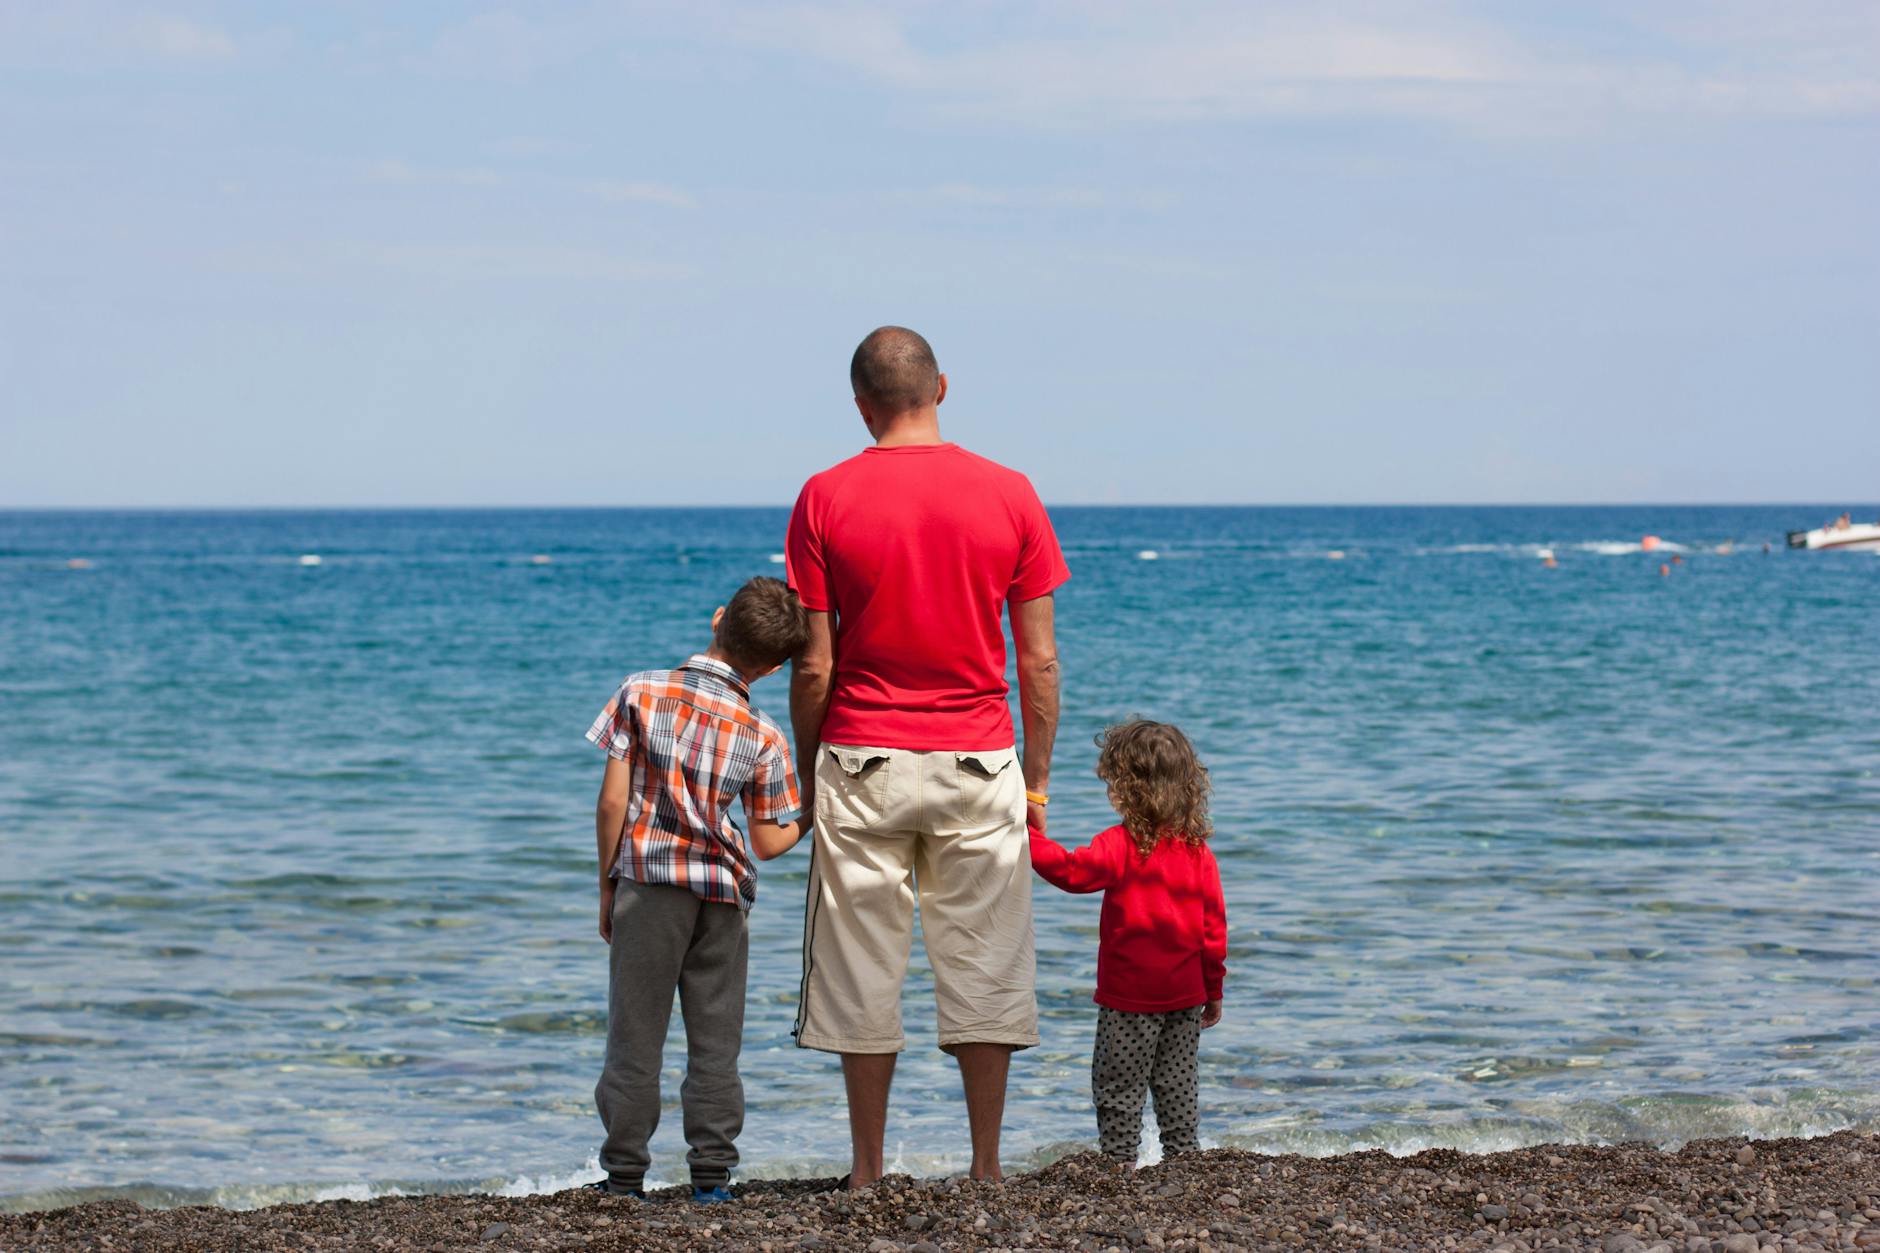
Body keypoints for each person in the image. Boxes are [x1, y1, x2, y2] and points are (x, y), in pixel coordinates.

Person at [786, 326, 1069, 1187]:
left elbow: (814, 665)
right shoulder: (1011, 492)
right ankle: (986, 1165)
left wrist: (808, 776)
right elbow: (1040, 661)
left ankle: (867, 1170)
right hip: (979, 758)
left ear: (860, 404)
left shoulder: (823, 496)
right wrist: (1037, 783)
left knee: (859, 964)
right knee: (985, 958)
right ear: (942, 388)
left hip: (862, 756)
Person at [583, 577, 810, 1202]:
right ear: (772, 669)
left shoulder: (640, 691)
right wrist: (811, 816)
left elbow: (612, 803)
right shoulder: (764, 733)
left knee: (635, 1037)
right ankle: (711, 1177)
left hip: (649, 884)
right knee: (715, 1042)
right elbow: (768, 843)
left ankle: (625, 1176)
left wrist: (607, 884)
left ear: (718, 619)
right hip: (722, 895)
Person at [1028, 720, 1227, 1167]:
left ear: (1127, 789)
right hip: (1184, 998)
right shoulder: (1198, 852)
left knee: (1118, 1086)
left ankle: (1119, 1165)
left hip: (1128, 1002)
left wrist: (1026, 837)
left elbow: (1072, 872)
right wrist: (1213, 990)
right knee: (1178, 1085)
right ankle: (1184, 1160)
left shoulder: (1120, 844)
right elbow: (1213, 932)